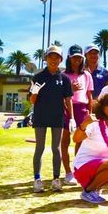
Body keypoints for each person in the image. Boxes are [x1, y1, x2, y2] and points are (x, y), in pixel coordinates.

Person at [30, 45, 73, 193]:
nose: (54, 60)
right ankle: (37, 180)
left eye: (57, 57)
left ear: (61, 59)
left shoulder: (65, 79)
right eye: (50, 56)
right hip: (41, 116)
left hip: (57, 117)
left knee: (56, 148)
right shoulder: (38, 77)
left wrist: (71, 118)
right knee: (40, 148)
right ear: (46, 59)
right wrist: (34, 92)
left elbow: (68, 100)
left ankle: (56, 179)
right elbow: (32, 101)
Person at [72, 92, 108, 203]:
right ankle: (88, 192)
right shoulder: (94, 123)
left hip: (101, 167)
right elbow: (76, 139)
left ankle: (96, 187)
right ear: (102, 107)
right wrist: (84, 124)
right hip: (83, 167)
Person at [62, 44, 94, 186]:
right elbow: (61, 96)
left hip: (82, 109)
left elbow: (89, 95)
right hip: (66, 109)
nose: (77, 60)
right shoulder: (63, 75)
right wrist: (70, 89)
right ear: (69, 58)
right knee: (64, 141)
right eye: (74, 57)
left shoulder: (86, 75)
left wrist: (91, 114)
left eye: (79, 58)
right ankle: (68, 172)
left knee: (80, 142)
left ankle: (77, 170)